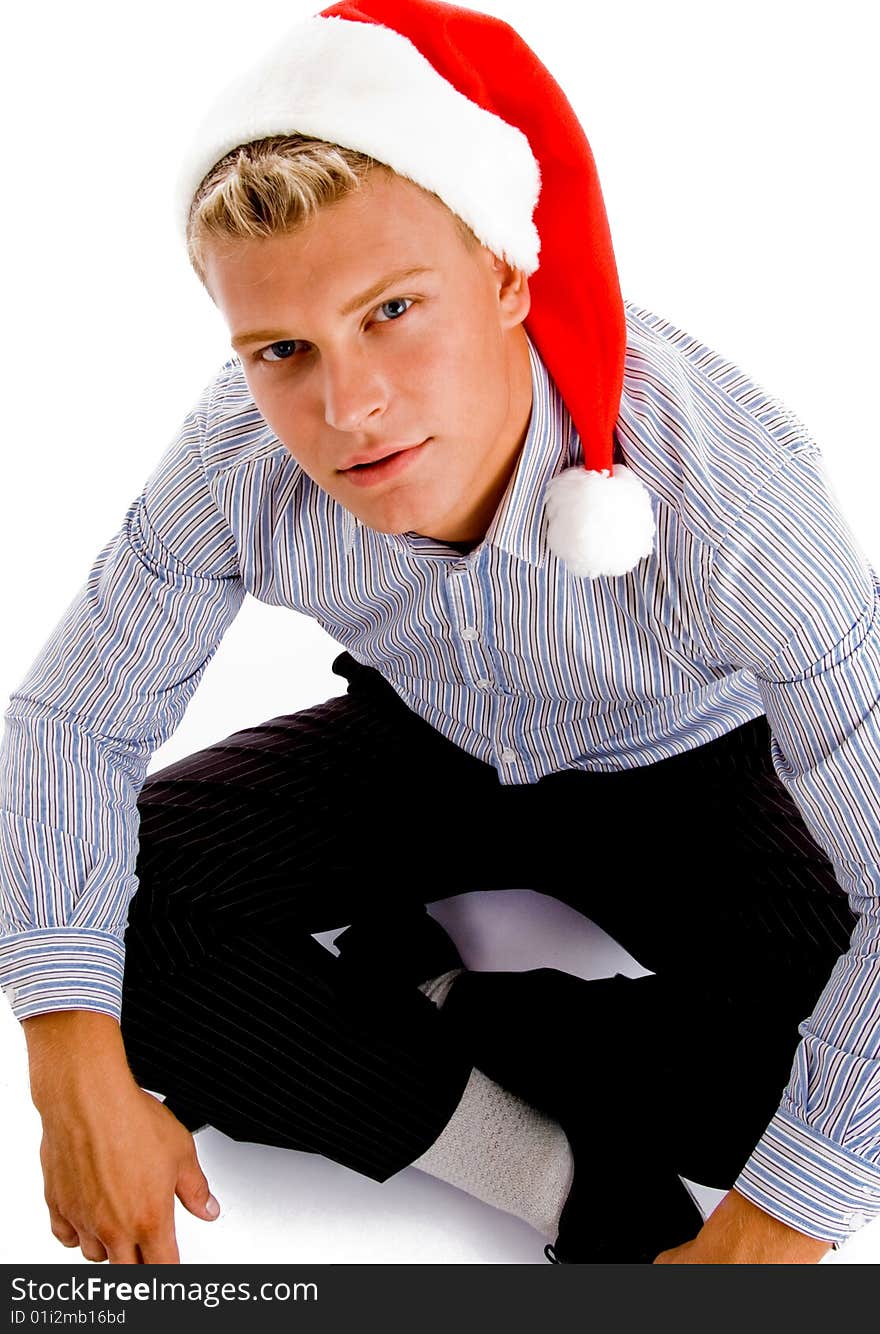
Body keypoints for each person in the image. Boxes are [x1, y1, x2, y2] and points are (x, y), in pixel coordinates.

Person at [1, 0, 878, 1266]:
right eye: (281, 348)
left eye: (393, 310)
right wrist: (68, 1063)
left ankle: (461, 1004)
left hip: (682, 770)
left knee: (842, 1092)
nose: (346, 404)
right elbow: (72, 717)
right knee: (82, 935)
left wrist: (760, 1239)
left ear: (508, 277)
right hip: (421, 735)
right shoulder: (234, 453)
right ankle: (559, 1176)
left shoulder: (734, 491)